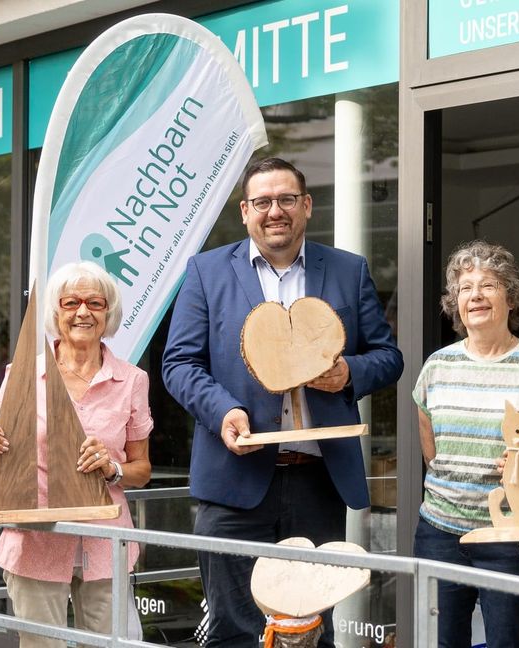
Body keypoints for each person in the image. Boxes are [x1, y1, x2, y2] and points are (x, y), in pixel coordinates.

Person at [161, 157, 404, 646]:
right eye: (263, 201)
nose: (276, 211)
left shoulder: (347, 270)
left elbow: (388, 357)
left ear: (307, 206)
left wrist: (347, 373)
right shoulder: (206, 272)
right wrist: (224, 411)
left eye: (287, 199)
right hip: (235, 483)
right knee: (234, 628)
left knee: (309, 626)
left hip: (319, 481)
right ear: (245, 212)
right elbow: (179, 364)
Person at [0, 261, 153, 648]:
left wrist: (112, 468)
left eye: (95, 303)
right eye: (71, 302)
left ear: (108, 313)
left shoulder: (133, 380)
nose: (83, 312)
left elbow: (142, 470)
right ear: (56, 312)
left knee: (108, 645)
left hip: (105, 542)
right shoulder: (23, 373)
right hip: (35, 540)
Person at [413, 241, 519, 648]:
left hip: (507, 537)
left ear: (510, 296)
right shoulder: (437, 365)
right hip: (439, 533)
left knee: (509, 643)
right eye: (466, 288)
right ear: (455, 302)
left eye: (489, 285)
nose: (476, 296)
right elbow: (430, 447)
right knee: (441, 643)